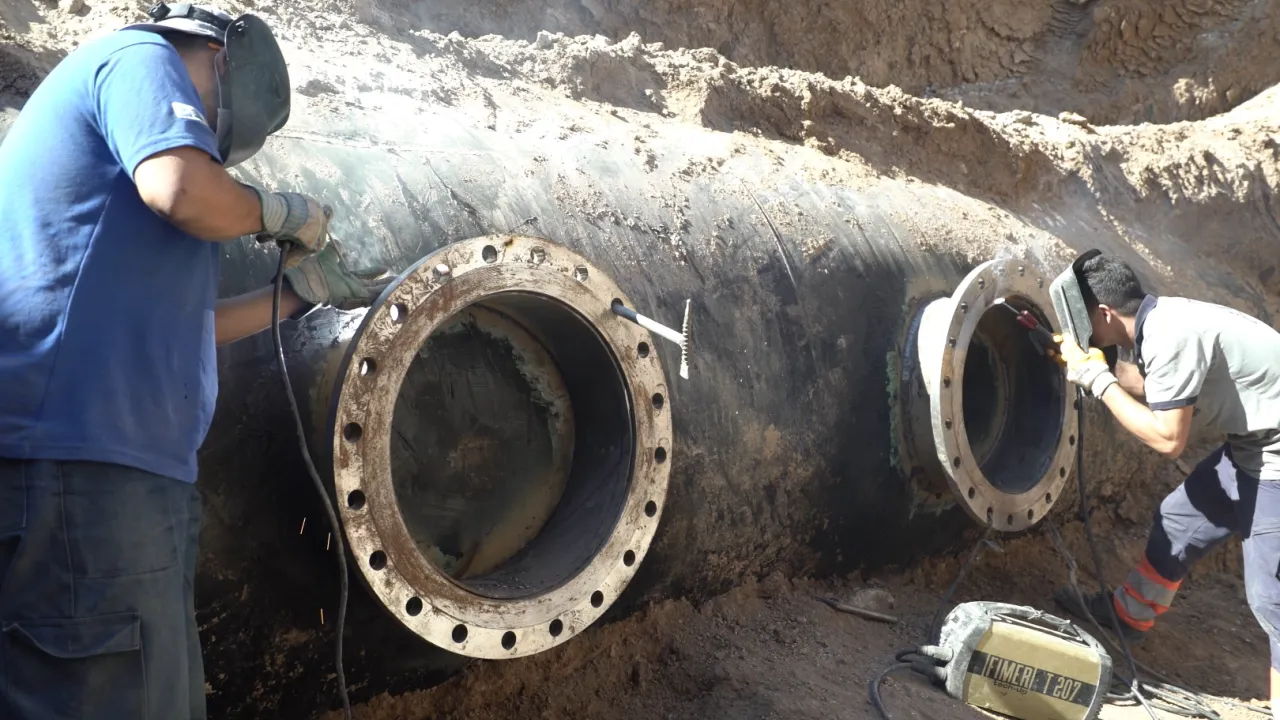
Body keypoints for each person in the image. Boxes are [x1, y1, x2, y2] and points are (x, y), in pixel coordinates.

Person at [0, 4, 385, 719]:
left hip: (124, 475)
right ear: (222, 55)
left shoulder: (141, 185)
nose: (205, 145)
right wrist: (279, 210)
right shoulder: (140, 59)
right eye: (208, 129)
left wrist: (297, 297)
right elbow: (180, 189)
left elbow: (184, 329)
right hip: (80, 467)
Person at [1051, 251, 1280, 713]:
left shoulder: (1170, 337)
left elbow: (1168, 438)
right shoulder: (1163, 319)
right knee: (1179, 522)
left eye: (1084, 323)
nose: (1082, 332)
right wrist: (1098, 366)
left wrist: (1097, 380)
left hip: (1274, 455)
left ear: (1105, 313)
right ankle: (1129, 616)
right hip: (1254, 443)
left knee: (1269, 595)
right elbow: (1157, 382)